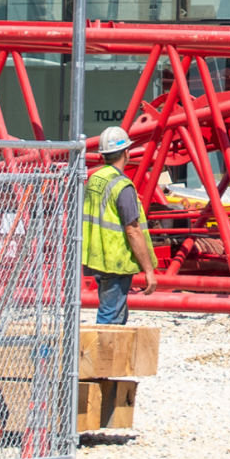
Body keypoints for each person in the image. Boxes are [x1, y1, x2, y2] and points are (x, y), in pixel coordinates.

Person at [81, 125, 156, 326]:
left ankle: (109, 354)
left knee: (113, 311)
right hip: (116, 259)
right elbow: (133, 230)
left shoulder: (95, 178)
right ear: (126, 152)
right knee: (111, 316)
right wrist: (149, 270)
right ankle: (103, 356)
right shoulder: (122, 185)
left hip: (98, 256)